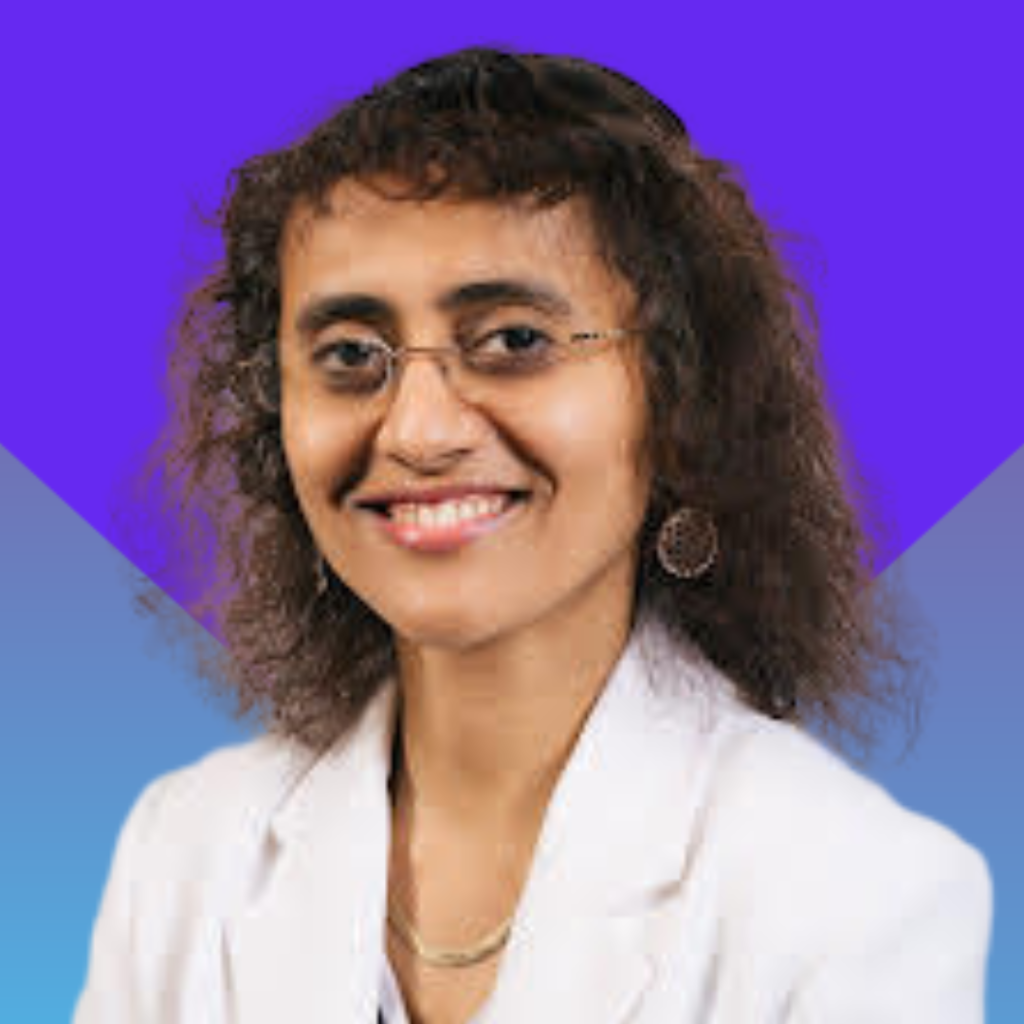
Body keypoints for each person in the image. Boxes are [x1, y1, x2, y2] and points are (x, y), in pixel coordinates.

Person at [75, 46, 992, 1024]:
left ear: (676, 401)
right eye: (349, 355)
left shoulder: (860, 899)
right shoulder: (182, 854)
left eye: (514, 340)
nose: (418, 430)